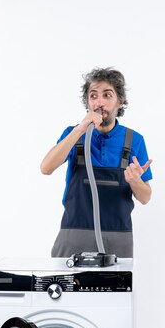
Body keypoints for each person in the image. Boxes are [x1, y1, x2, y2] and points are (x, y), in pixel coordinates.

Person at [41, 67, 152, 258]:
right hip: (73, 235)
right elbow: (46, 168)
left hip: (118, 239)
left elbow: (145, 197)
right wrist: (80, 130)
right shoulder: (73, 134)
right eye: (93, 96)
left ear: (121, 101)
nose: (99, 102)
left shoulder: (134, 140)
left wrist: (134, 181)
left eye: (107, 95)